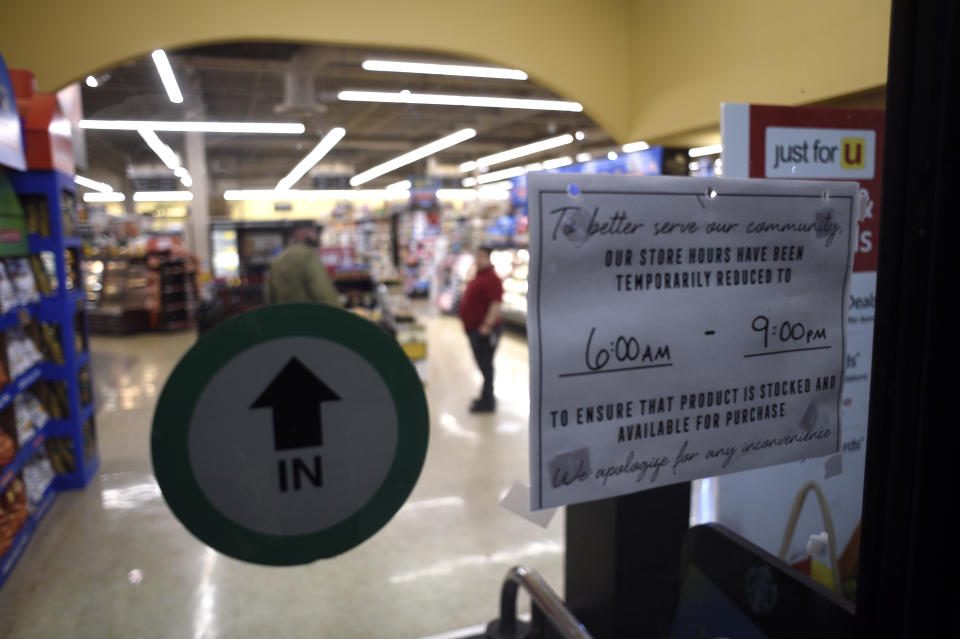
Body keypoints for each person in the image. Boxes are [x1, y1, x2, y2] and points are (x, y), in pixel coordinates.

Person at [458, 247, 503, 413]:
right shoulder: (479, 275)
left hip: (483, 331)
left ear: (489, 258)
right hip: (474, 329)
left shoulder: (492, 278)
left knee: (486, 366)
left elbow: (496, 304)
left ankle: (488, 402)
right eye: (477, 256)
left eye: (482, 256)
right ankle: (485, 397)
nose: (479, 259)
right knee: (483, 366)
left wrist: (487, 326)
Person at [264, 223, 341, 306]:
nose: (316, 236)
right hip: (308, 316)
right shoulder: (308, 255)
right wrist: (340, 314)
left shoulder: (278, 259)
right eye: (314, 232)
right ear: (301, 233)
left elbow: (269, 296)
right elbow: (323, 292)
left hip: (285, 316)